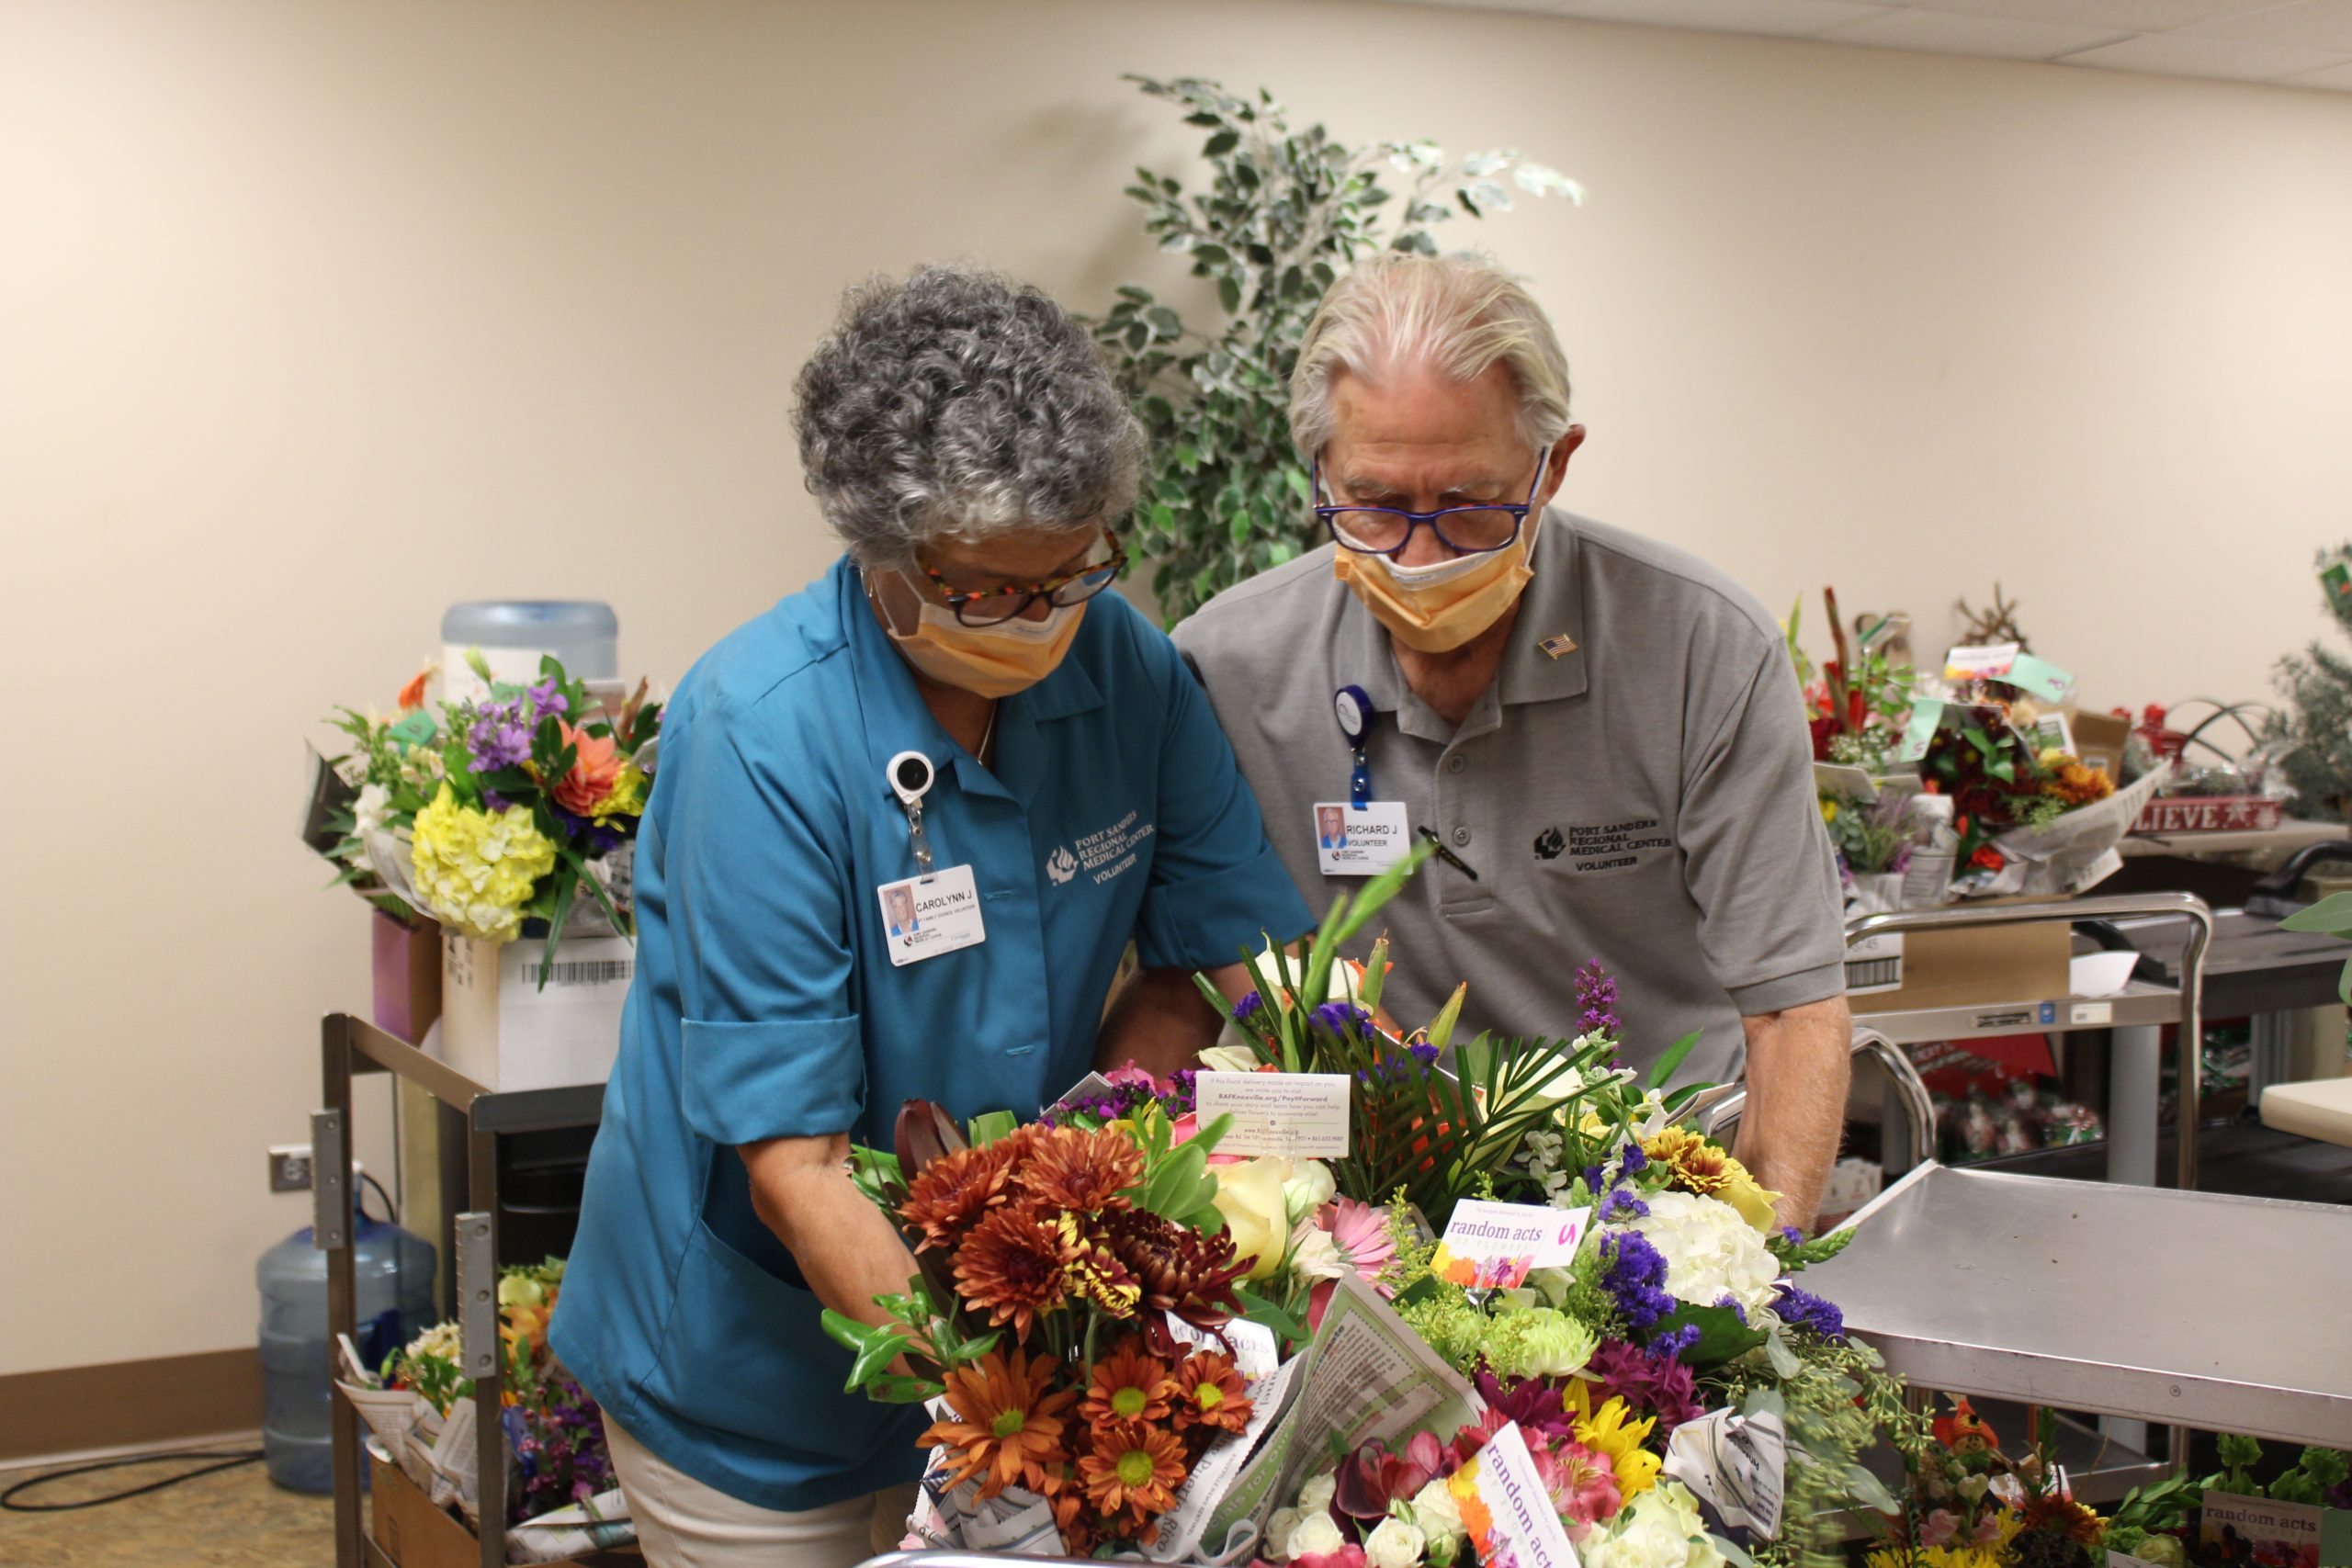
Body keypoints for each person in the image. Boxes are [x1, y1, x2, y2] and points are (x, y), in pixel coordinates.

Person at [551, 265, 1311, 1568]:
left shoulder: (1121, 664)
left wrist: (1103, 1179)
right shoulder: (760, 731)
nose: (1042, 620)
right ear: (883, 557)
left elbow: (1219, 956)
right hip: (758, 1372)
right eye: (989, 591)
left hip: (1025, 1319)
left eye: (1072, 572)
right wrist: (1018, 1408)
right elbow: (797, 1170)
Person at [1166, 253, 1851, 1228]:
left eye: (1470, 507)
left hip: (1650, 1195)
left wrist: (1757, 1269)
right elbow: (1209, 970)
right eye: (1376, 505)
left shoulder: (1702, 648)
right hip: (1366, 1204)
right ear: (1318, 470)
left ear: (1554, 464)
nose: (1420, 558)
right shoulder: (1224, 665)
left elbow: (1791, 1009)